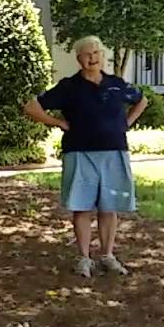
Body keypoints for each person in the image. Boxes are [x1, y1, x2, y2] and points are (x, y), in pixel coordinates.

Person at [23, 36, 148, 279]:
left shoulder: (116, 84)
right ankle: (84, 258)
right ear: (79, 59)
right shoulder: (69, 87)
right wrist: (58, 122)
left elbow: (141, 100)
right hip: (79, 152)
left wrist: (126, 123)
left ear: (102, 56)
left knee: (109, 207)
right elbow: (31, 107)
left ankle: (108, 256)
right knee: (81, 207)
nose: (93, 58)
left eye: (97, 53)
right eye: (87, 54)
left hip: (114, 151)